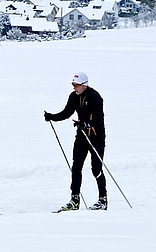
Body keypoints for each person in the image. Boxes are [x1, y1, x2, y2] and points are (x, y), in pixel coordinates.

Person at [44, 72, 108, 211]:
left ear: (84, 85)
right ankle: (74, 200)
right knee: (76, 167)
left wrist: (87, 124)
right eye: (73, 85)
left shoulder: (95, 97)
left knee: (96, 168)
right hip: (82, 136)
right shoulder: (73, 97)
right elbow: (66, 113)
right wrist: (52, 117)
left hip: (96, 137)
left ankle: (103, 200)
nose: (74, 87)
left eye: (77, 85)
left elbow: (98, 119)